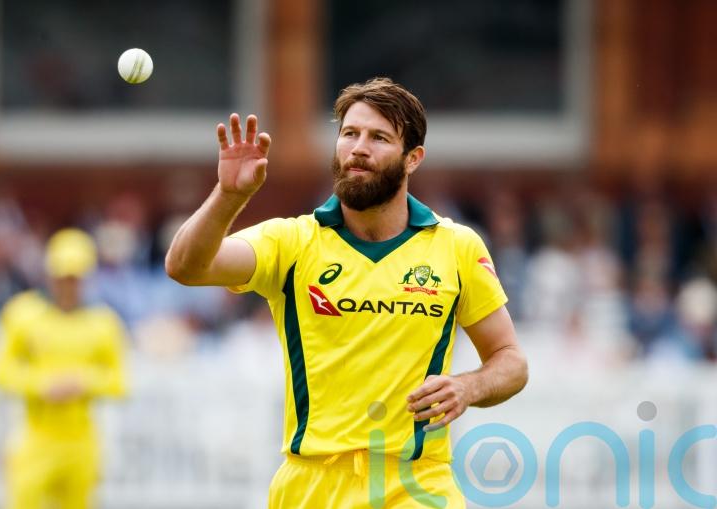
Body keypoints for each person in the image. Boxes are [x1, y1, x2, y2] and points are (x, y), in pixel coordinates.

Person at [165, 77, 528, 508]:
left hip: (416, 483)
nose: (358, 147)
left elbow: (511, 361)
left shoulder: (457, 247)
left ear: (413, 159)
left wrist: (469, 387)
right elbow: (185, 267)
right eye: (349, 134)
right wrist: (228, 195)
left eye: (378, 138)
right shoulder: (293, 241)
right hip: (312, 484)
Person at [0, 228, 128, 509]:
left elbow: (120, 380)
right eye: (62, 276)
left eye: (74, 277)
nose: (68, 284)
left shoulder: (104, 323)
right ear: (50, 275)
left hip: (82, 440)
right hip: (35, 437)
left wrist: (84, 382)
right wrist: (42, 385)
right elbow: (0, 371)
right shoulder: (22, 314)